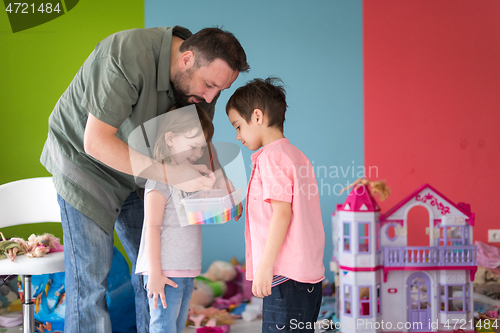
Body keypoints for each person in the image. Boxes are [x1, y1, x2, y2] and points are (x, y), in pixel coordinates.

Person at [40, 26, 249, 333]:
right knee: (90, 283)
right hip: (85, 163)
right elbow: (96, 142)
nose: (209, 97)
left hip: (143, 173)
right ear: (186, 59)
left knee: (154, 275)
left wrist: (219, 180)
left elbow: (197, 137)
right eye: (208, 85)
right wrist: (172, 174)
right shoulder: (126, 54)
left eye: (219, 90)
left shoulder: (201, 86)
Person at [226, 77, 325, 332]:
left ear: (257, 117)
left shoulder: (271, 157)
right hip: (306, 276)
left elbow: (282, 213)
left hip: (284, 276)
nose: (237, 136)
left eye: (238, 126)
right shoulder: (296, 156)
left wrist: (265, 267)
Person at [135, 104, 213, 333]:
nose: (198, 153)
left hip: (185, 269)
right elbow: (151, 227)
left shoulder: (186, 180)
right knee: (163, 327)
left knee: (176, 327)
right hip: (166, 271)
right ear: (170, 138)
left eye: (202, 148)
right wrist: (156, 273)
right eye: (193, 146)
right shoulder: (159, 180)